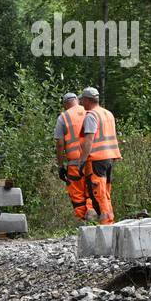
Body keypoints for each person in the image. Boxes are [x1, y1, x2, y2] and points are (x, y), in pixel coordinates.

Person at [76, 86, 121, 224]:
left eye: (82, 99)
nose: (81, 102)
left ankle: (106, 225)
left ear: (88, 100)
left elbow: (89, 140)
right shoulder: (108, 113)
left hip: (97, 160)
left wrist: (82, 160)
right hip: (109, 158)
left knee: (98, 194)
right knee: (105, 193)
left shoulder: (91, 116)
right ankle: (110, 222)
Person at [53, 92, 91, 220]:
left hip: (75, 163)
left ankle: (84, 222)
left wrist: (60, 165)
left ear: (65, 105)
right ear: (77, 101)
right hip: (93, 160)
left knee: (78, 195)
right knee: (92, 190)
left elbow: (59, 144)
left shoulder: (63, 117)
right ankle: (94, 216)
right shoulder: (90, 111)